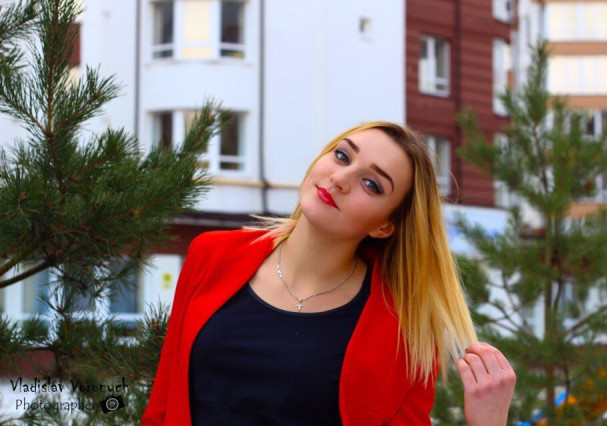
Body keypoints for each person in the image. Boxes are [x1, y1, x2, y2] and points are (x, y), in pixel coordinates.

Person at [141, 121, 516, 425]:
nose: (340, 178)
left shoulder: (405, 328)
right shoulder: (211, 254)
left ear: (384, 226)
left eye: (371, 184)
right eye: (342, 155)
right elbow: (162, 408)